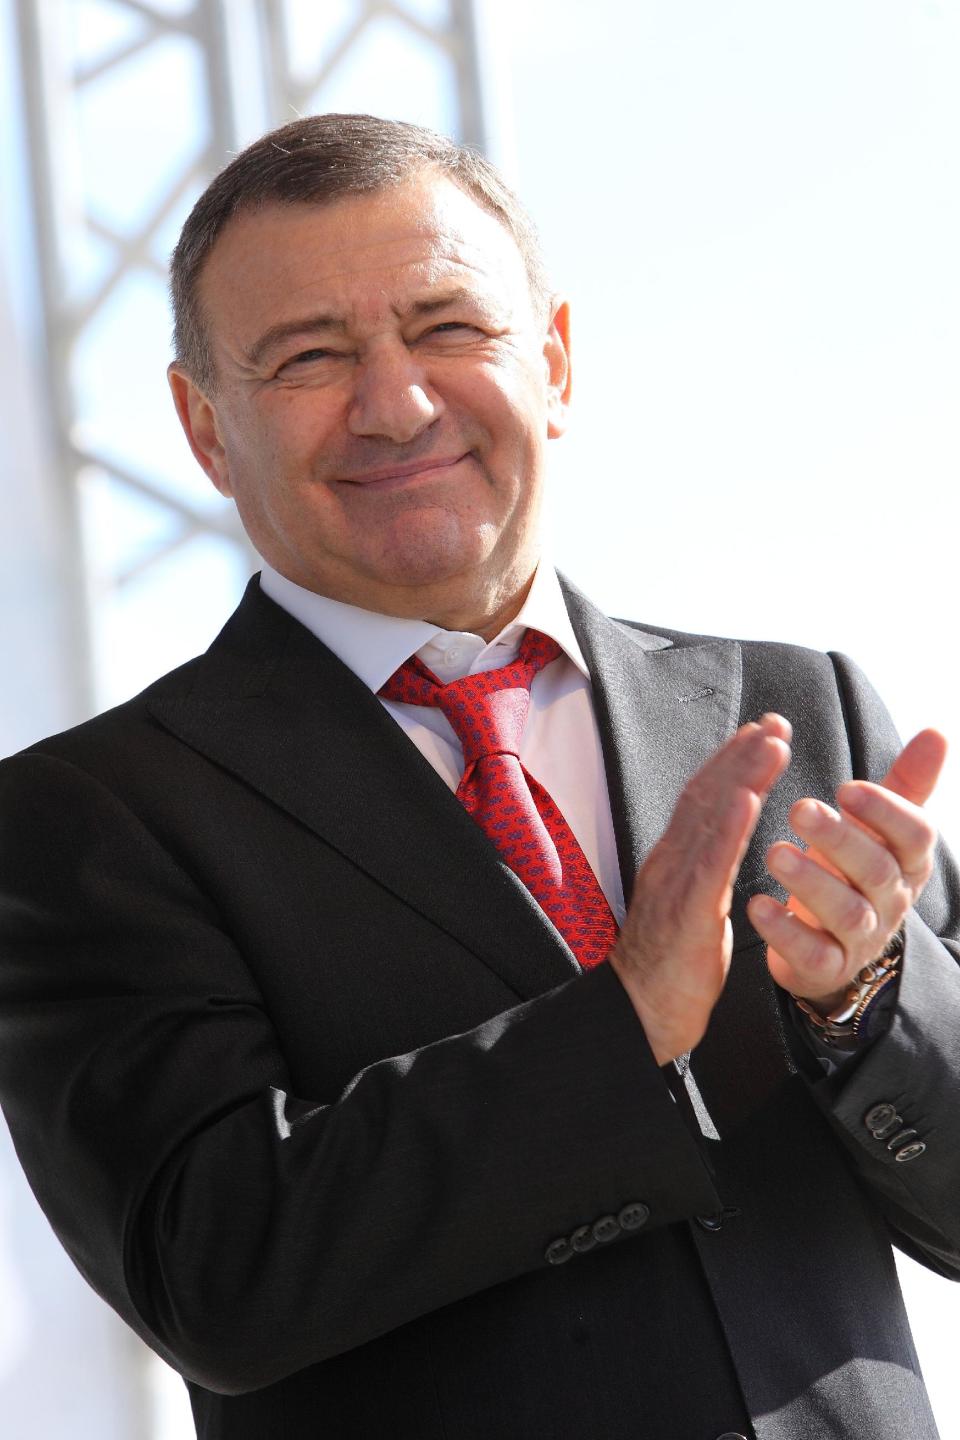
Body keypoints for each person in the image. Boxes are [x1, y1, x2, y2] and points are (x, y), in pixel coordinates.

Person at [1, 113, 958, 1440]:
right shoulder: (87, 820)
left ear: (553, 360)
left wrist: (868, 1009)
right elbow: (214, 1271)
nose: (394, 403)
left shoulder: (799, 711)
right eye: (309, 356)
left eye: (450, 328)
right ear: (204, 427)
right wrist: (623, 1028)